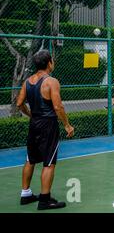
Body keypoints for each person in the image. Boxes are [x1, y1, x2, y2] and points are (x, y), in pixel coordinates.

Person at [16, 49, 74, 210]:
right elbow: (57, 106)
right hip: (48, 125)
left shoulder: (28, 81)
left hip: (34, 124)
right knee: (49, 163)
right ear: (49, 63)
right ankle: (44, 200)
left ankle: (25, 194)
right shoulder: (51, 81)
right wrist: (67, 125)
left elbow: (19, 103)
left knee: (30, 159)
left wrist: (31, 115)